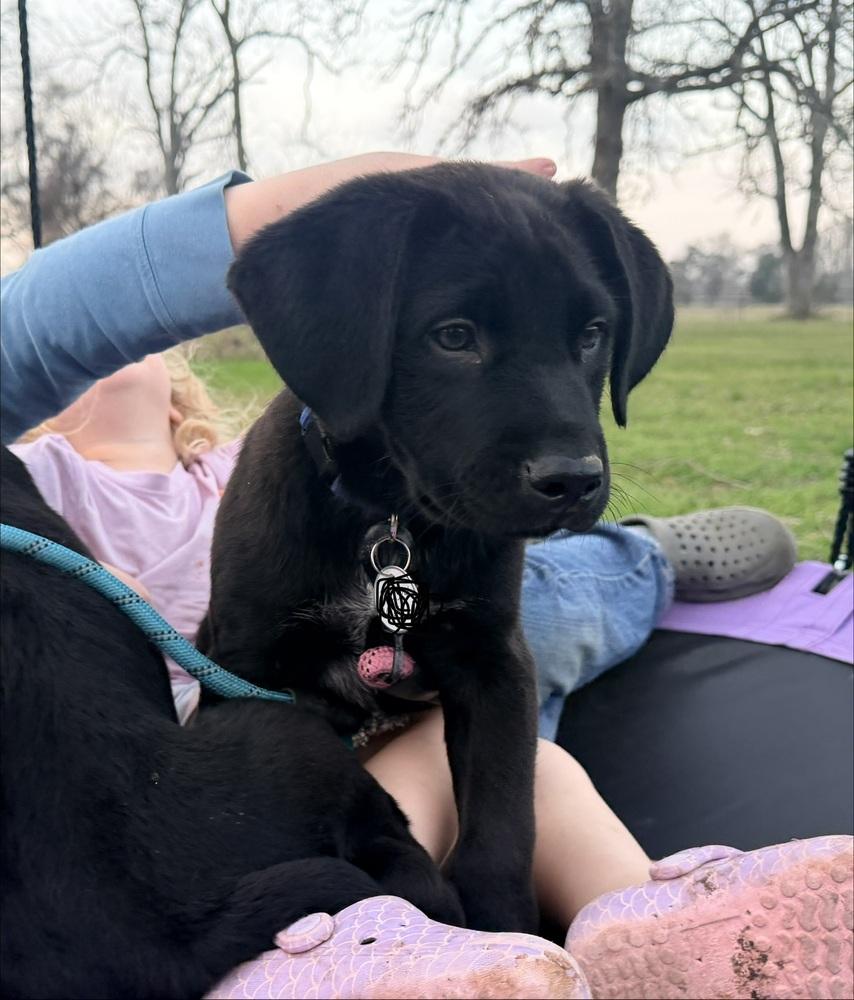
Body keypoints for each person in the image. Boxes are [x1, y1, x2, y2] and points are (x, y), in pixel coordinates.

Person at [3, 154, 849, 1000]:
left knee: (544, 629)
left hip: (451, 607)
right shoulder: (74, 482)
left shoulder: (207, 461)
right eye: (458, 335)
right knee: (545, 690)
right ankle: (468, 943)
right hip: (330, 726)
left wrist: (501, 896)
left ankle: (679, 937)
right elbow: (239, 688)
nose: (567, 445)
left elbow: (492, 672)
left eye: (586, 337)